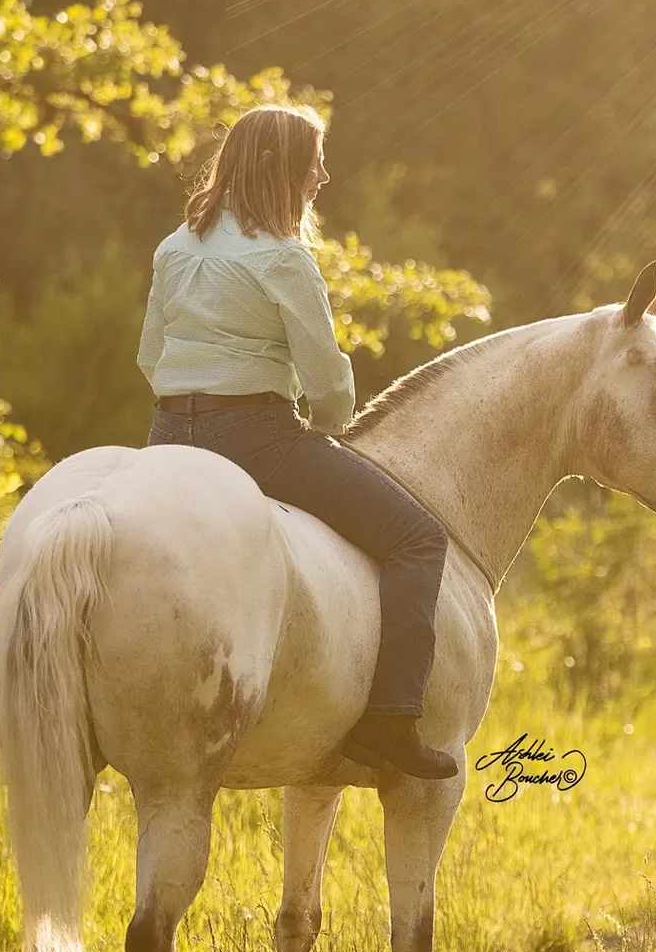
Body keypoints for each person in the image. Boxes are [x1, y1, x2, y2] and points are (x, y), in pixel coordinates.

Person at [138, 103, 459, 782]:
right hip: (256, 439)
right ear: (279, 168)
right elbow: (327, 383)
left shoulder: (174, 248)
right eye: (314, 160)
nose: (324, 174)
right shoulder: (283, 259)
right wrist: (329, 427)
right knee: (417, 539)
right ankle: (392, 721)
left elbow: (149, 357)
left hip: (167, 439)